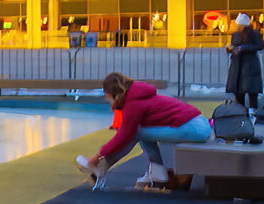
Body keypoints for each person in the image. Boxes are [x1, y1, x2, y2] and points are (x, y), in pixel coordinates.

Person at [78, 72, 212, 192]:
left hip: (194, 128)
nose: (105, 97)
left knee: (135, 132)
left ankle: (101, 167)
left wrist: (97, 156)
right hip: (199, 124)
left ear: (112, 93)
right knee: (139, 130)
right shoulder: (138, 95)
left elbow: (124, 136)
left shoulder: (133, 104)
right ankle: (157, 172)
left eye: (105, 94)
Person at [226, 12, 264, 110]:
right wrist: (231, 49)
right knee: (238, 91)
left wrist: (243, 48)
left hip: (249, 65)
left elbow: (259, 46)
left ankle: (252, 111)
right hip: (238, 65)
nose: (237, 27)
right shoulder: (236, 35)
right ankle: (241, 110)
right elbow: (234, 45)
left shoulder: (255, 34)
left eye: (239, 25)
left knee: (251, 91)